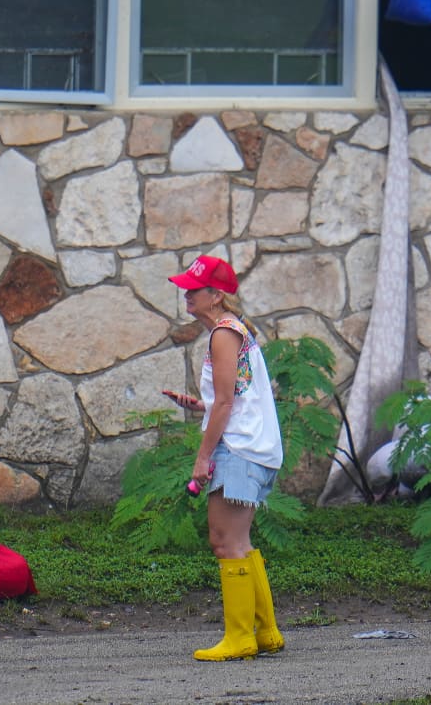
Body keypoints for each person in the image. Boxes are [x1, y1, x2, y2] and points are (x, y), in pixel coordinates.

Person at [163, 256, 285, 661]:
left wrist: (203, 457)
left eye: (194, 289)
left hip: (239, 449)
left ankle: (239, 639)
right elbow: (236, 396)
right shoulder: (236, 330)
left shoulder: (222, 334)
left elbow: (229, 402)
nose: (187, 295)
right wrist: (204, 405)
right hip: (254, 446)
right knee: (240, 542)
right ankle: (265, 632)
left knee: (224, 540)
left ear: (216, 295)